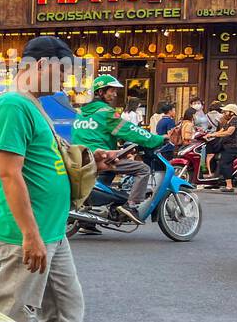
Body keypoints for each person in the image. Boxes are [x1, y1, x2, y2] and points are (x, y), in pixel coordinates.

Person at [0, 35, 115, 322]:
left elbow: (50, 161)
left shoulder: (35, 106)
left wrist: (96, 159)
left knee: (64, 312)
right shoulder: (11, 105)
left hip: (53, 232)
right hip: (29, 234)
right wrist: (30, 234)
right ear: (40, 65)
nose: (65, 83)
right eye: (62, 73)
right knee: (9, 317)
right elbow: (9, 175)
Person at [69, 74, 165, 217]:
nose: (114, 95)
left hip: (81, 157)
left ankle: (88, 219)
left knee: (108, 174)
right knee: (143, 169)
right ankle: (131, 206)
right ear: (100, 92)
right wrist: (156, 139)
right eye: (111, 91)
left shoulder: (81, 113)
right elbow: (130, 131)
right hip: (99, 158)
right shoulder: (106, 112)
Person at [204, 103, 237, 188]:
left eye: (225, 112)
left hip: (234, 146)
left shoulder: (235, 120)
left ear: (232, 113)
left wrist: (213, 135)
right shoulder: (228, 122)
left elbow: (229, 132)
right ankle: (215, 177)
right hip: (227, 145)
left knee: (224, 162)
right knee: (212, 152)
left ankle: (229, 185)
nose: (223, 113)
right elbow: (221, 131)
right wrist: (209, 135)